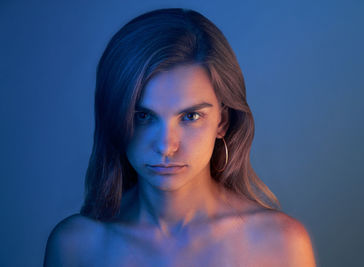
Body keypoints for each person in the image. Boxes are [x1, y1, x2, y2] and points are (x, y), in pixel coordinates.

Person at [44, 8, 316, 266]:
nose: (166, 146)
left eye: (190, 117)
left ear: (222, 121)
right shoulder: (76, 247)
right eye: (143, 116)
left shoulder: (280, 244)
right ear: (115, 118)